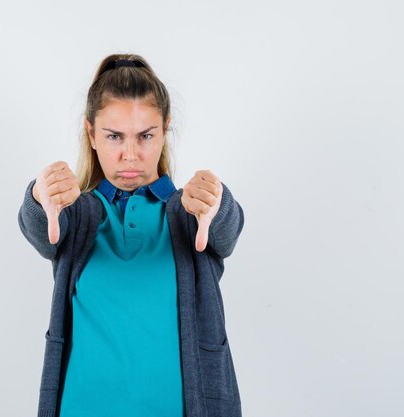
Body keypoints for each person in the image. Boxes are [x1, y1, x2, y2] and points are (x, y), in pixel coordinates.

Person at [18, 53, 245, 417]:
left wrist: (218, 202)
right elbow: (40, 229)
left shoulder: (189, 213)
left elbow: (226, 231)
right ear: (91, 133)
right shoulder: (76, 215)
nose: (130, 155)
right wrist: (37, 196)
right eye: (113, 136)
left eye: (145, 136)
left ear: (165, 129)